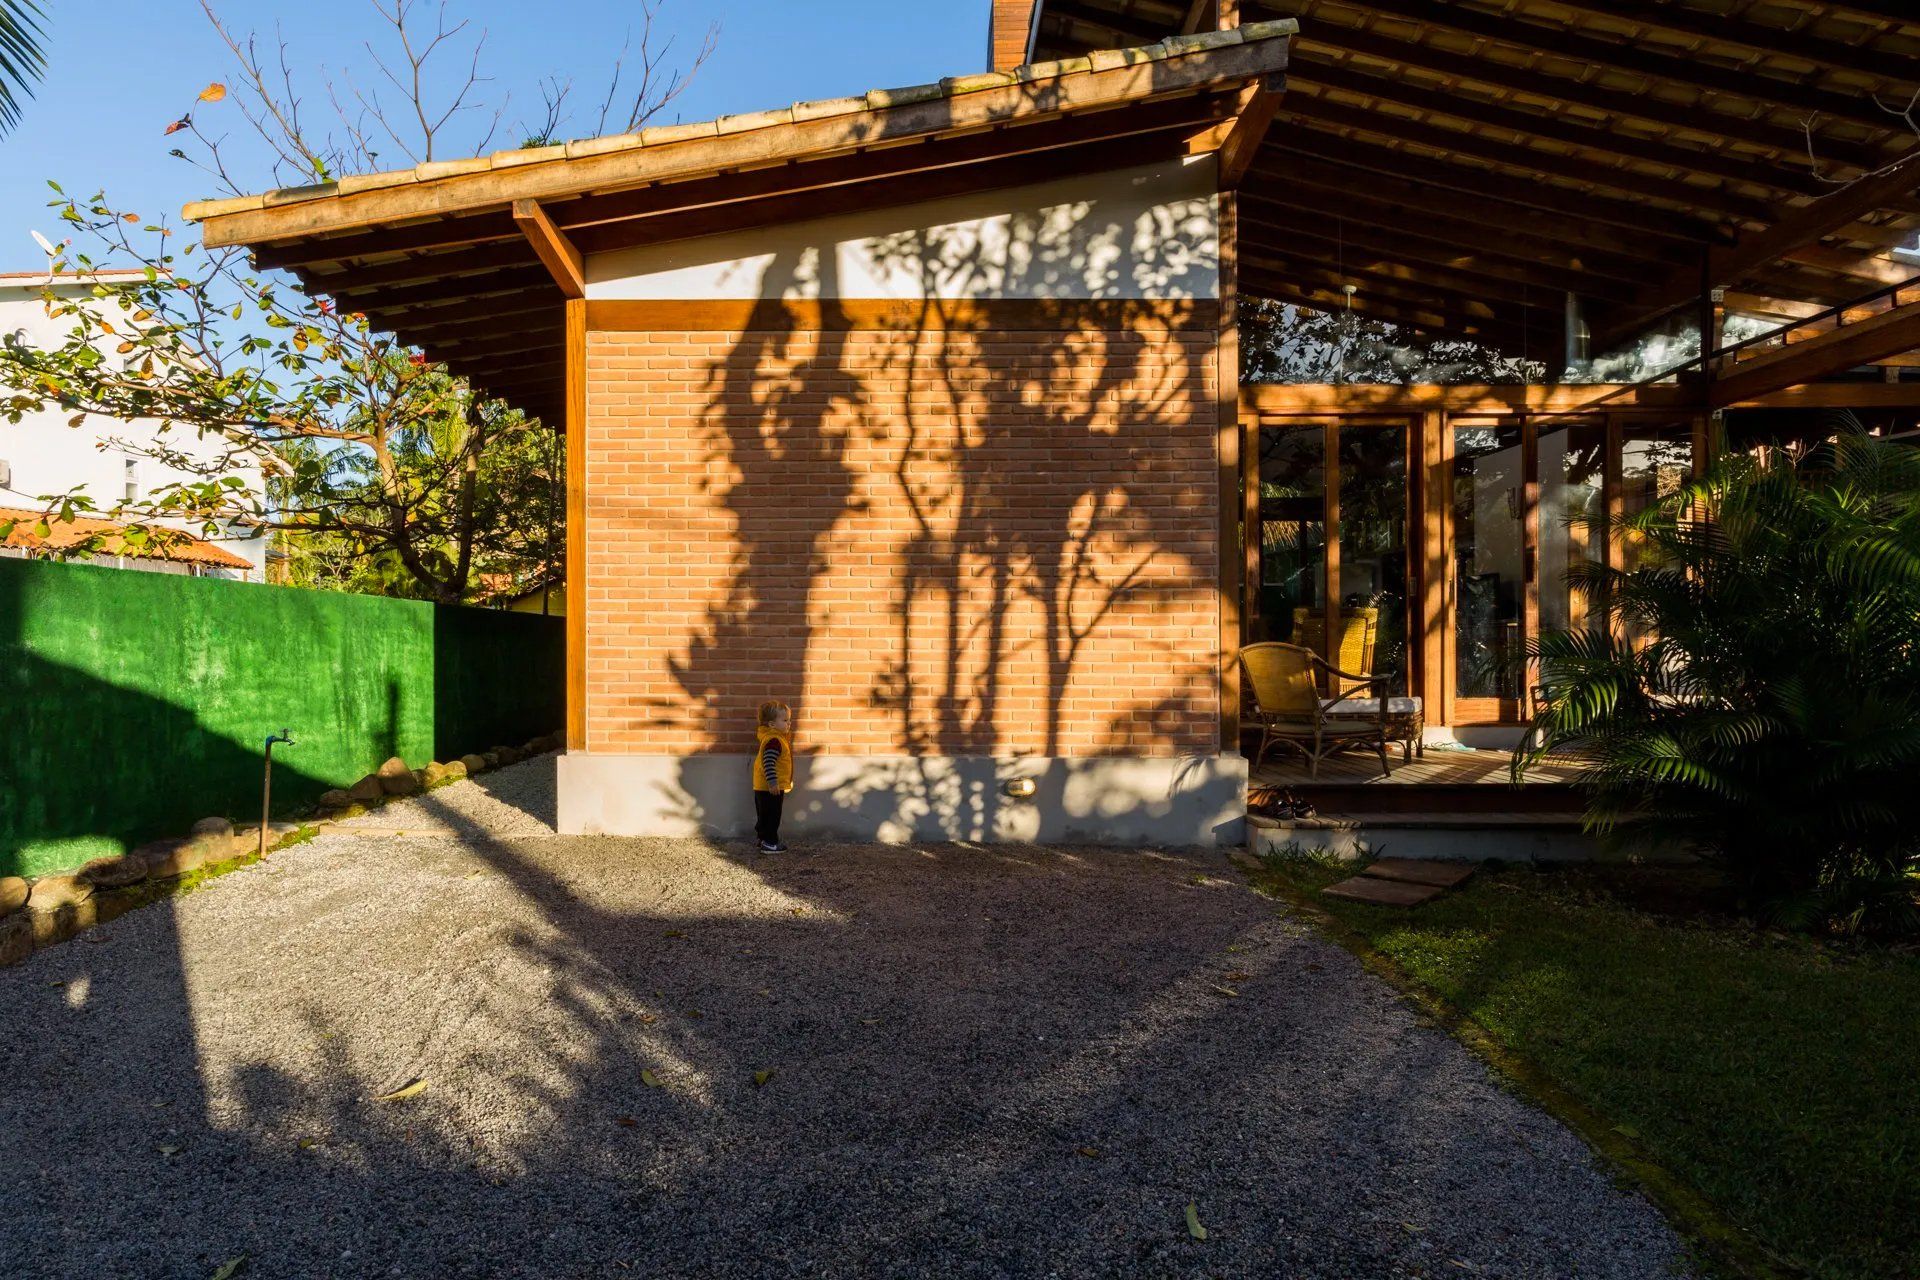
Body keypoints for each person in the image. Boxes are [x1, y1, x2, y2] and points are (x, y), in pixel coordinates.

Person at [753, 700, 793, 852]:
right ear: (771, 724)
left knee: (764, 814)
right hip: (771, 786)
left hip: (761, 786)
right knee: (772, 815)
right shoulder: (774, 740)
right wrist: (773, 782)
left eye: (789, 720)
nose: (789, 723)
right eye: (784, 720)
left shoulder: (770, 738)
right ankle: (770, 842)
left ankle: (762, 839)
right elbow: (768, 762)